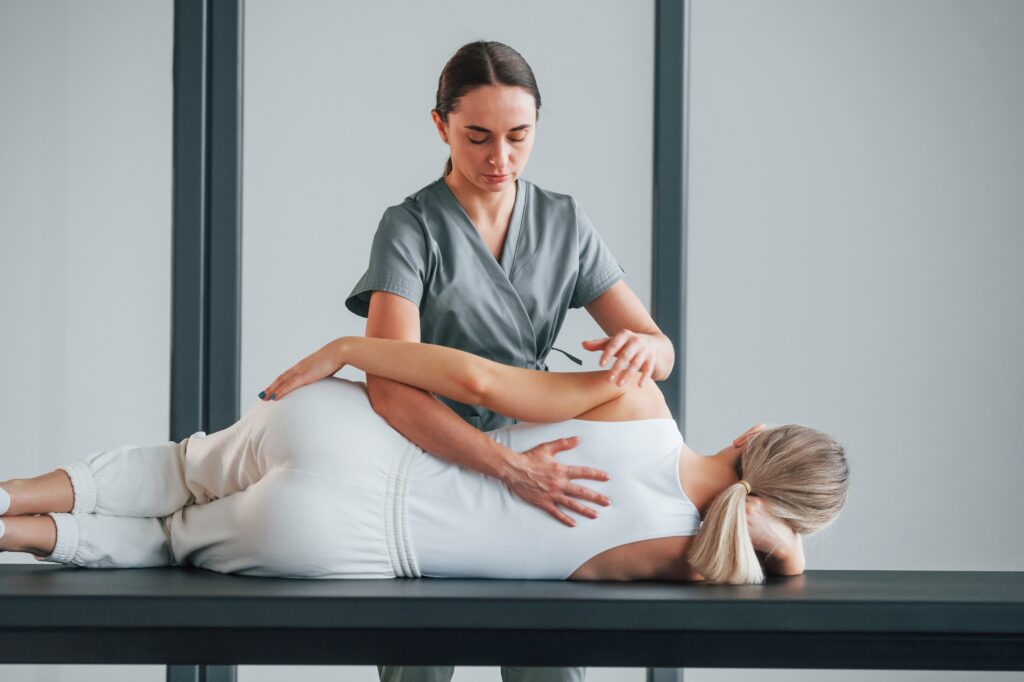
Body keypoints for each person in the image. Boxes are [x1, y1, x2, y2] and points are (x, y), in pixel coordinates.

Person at [1, 335, 849, 592]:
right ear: (777, 516)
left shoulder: (637, 407)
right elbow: (780, 570)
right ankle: (24, 535)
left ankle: (6, 495)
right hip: (344, 547)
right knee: (167, 544)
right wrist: (786, 543)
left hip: (362, 439)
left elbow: (480, 381)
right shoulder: (691, 559)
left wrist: (349, 349)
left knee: (180, 466)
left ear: (752, 433)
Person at [343, 39, 675, 682]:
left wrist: (647, 347)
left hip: (542, 461)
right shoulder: (410, 227)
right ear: (440, 125)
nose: (500, 158)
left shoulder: (564, 222)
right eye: (477, 136)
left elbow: (657, 348)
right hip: (431, 460)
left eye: (519, 136)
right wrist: (503, 465)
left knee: (546, 658)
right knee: (420, 662)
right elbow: (389, 386)